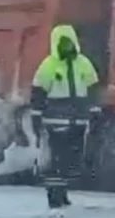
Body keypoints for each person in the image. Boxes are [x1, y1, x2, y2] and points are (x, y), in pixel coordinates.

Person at [30, 24, 100, 208]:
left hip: (78, 121)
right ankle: (54, 196)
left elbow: (93, 87)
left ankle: (63, 193)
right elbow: (38, 92)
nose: (66, 45)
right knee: (56, 161)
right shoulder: (48, 65)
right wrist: (36, 117)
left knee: (70, 161)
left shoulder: (83, 63)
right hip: (56, 122)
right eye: (63, 41)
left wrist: (94, 111)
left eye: (69, 41)